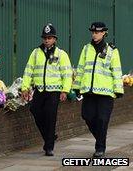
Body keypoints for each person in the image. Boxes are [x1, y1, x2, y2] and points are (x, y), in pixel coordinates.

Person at [73, 22, 124, 158]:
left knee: (102, 119)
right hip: (89, 91)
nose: (94, 34)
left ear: (104, 33)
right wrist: (77, 87)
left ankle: (100, 147)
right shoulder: (86, 49)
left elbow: (117, 71)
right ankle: (101, 139)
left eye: (97, 32)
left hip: (106, 92)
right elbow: (81, 68)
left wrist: (118, 89)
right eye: (93, 32)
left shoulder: (112, 50)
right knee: (87, 116)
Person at [21, 23, 72, 156]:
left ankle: (49, 147)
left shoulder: (61, 54)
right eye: (45, 38)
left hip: (54, 91)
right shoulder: (36, 53)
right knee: (35, 110)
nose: (47, 40)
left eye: (49, 38)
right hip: (40, 90)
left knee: (50, 116)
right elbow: (28, 70)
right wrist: (25, 87)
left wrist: (65, 90)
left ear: (55, 39)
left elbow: (67, 74)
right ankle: (50, 137)